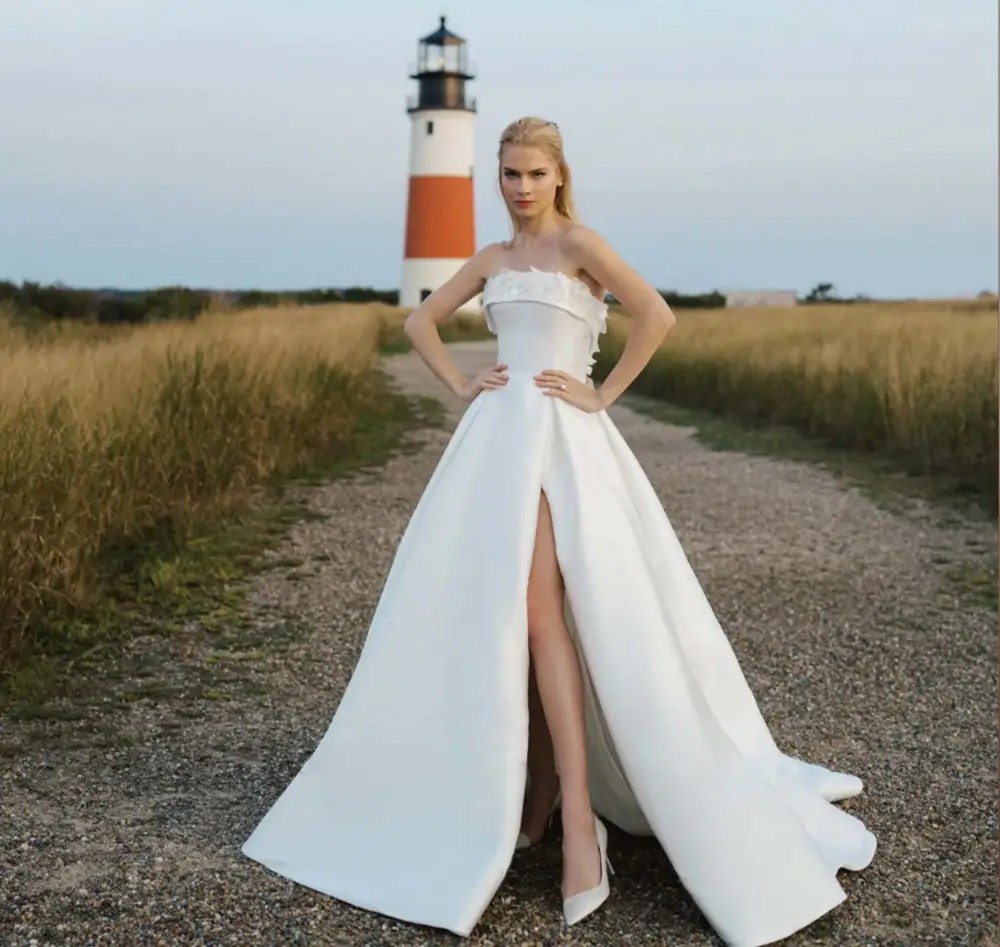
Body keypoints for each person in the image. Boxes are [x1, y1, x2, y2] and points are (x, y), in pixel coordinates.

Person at [240, 116, 877, 946]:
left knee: (544, 613)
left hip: (563, 441)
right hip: (496, 441)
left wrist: (600, 393)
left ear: (559, 174)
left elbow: (655, 316)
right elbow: (418, 322)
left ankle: (579, 821)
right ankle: (541, 796)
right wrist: (463, 384)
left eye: (534, 173)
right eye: (509, 173)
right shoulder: (493, 260)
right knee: (508, 613)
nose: (521, 187)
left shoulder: (581, 243)